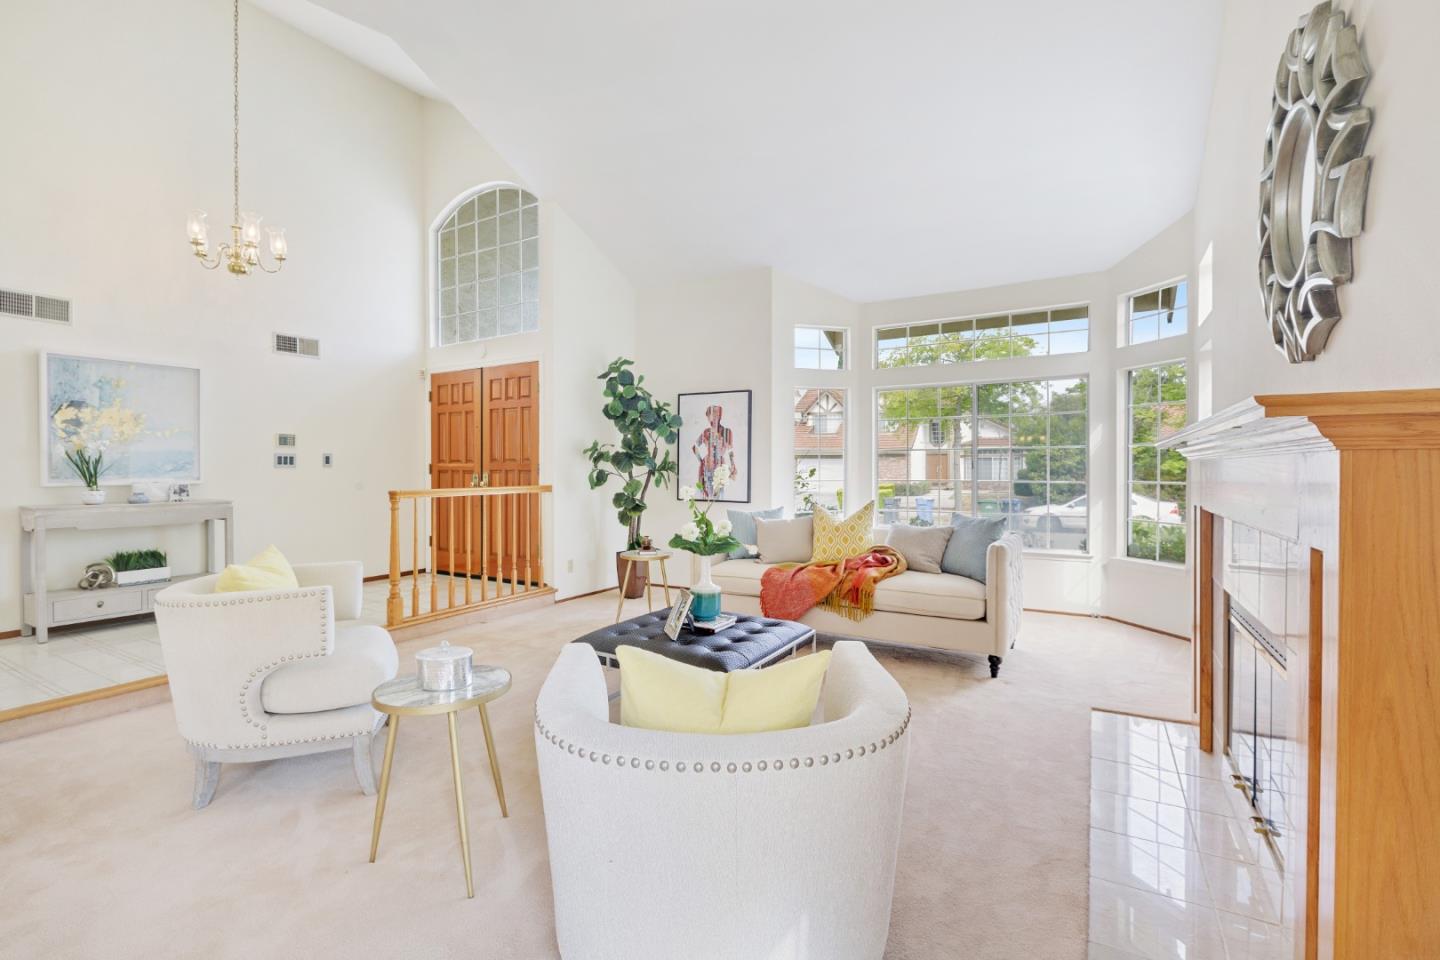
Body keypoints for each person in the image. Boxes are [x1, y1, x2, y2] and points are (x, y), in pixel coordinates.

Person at [691, 404, 739, 497]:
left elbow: (730, 451)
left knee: (718, 496)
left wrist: (733, 465)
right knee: (705, 496)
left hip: (720, 469)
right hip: (706, 468)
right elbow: (694, 447)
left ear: (720, 415)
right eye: (711, 415)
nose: (714, 417)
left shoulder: (727, 432)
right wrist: (701, 461)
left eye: (716, 414)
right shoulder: (706, 432)